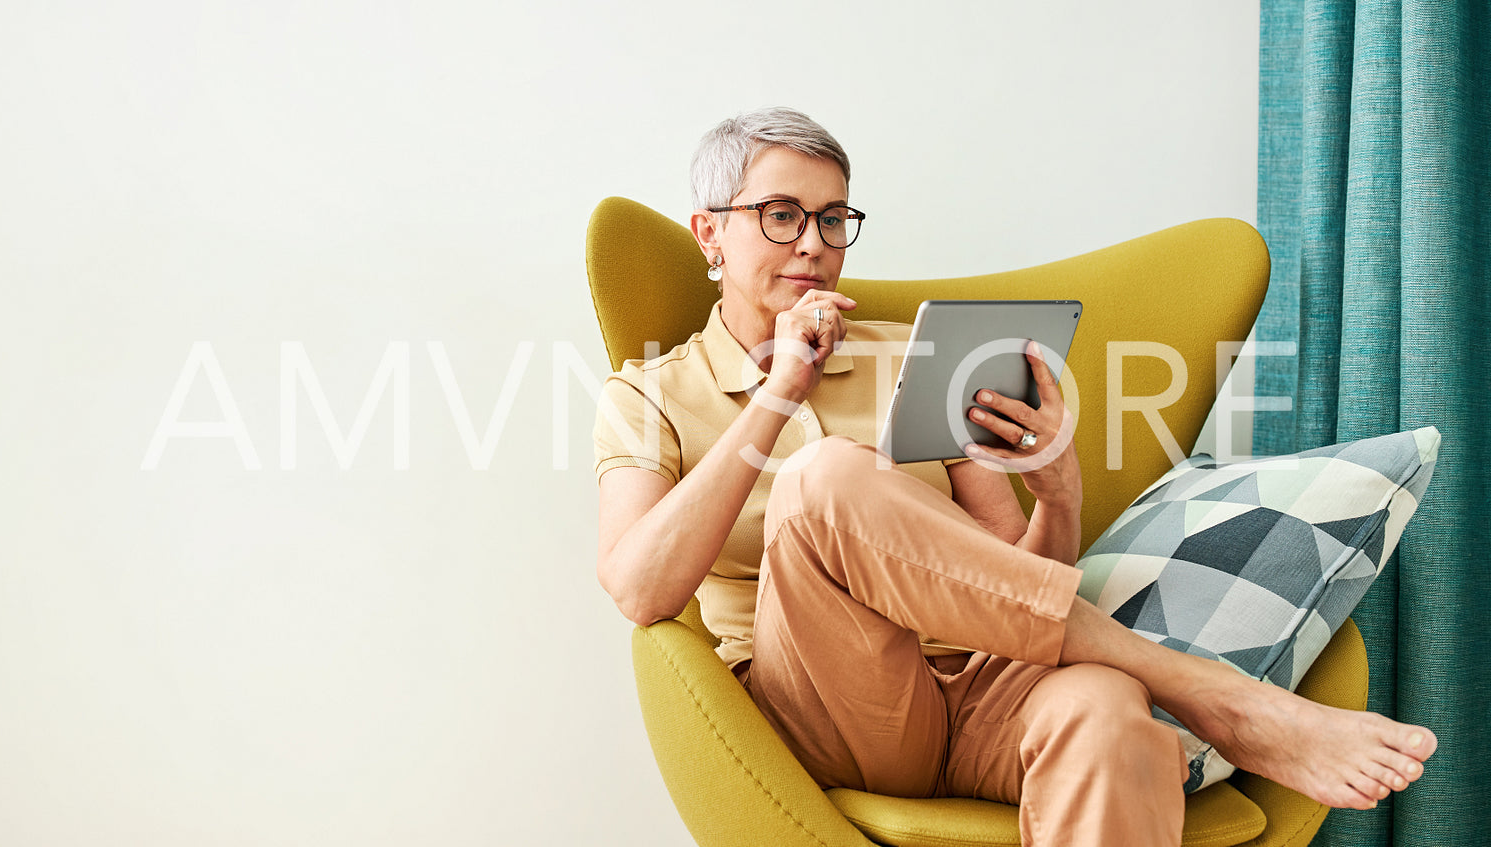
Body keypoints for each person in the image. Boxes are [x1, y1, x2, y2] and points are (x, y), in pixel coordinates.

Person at [592, 106, 1435, 845]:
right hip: (832, 706)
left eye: (832, 217)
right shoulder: (647, 394)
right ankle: (1216, 696)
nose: (813, 244)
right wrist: (777, 396)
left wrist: (1057, 490)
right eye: (780, 215)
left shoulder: (909, 356)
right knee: (823, 477)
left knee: (1107, 708)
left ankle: (1157, 686)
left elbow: (1015, 577)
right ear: (709, 234)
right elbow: (640, 590)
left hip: (980, 691)